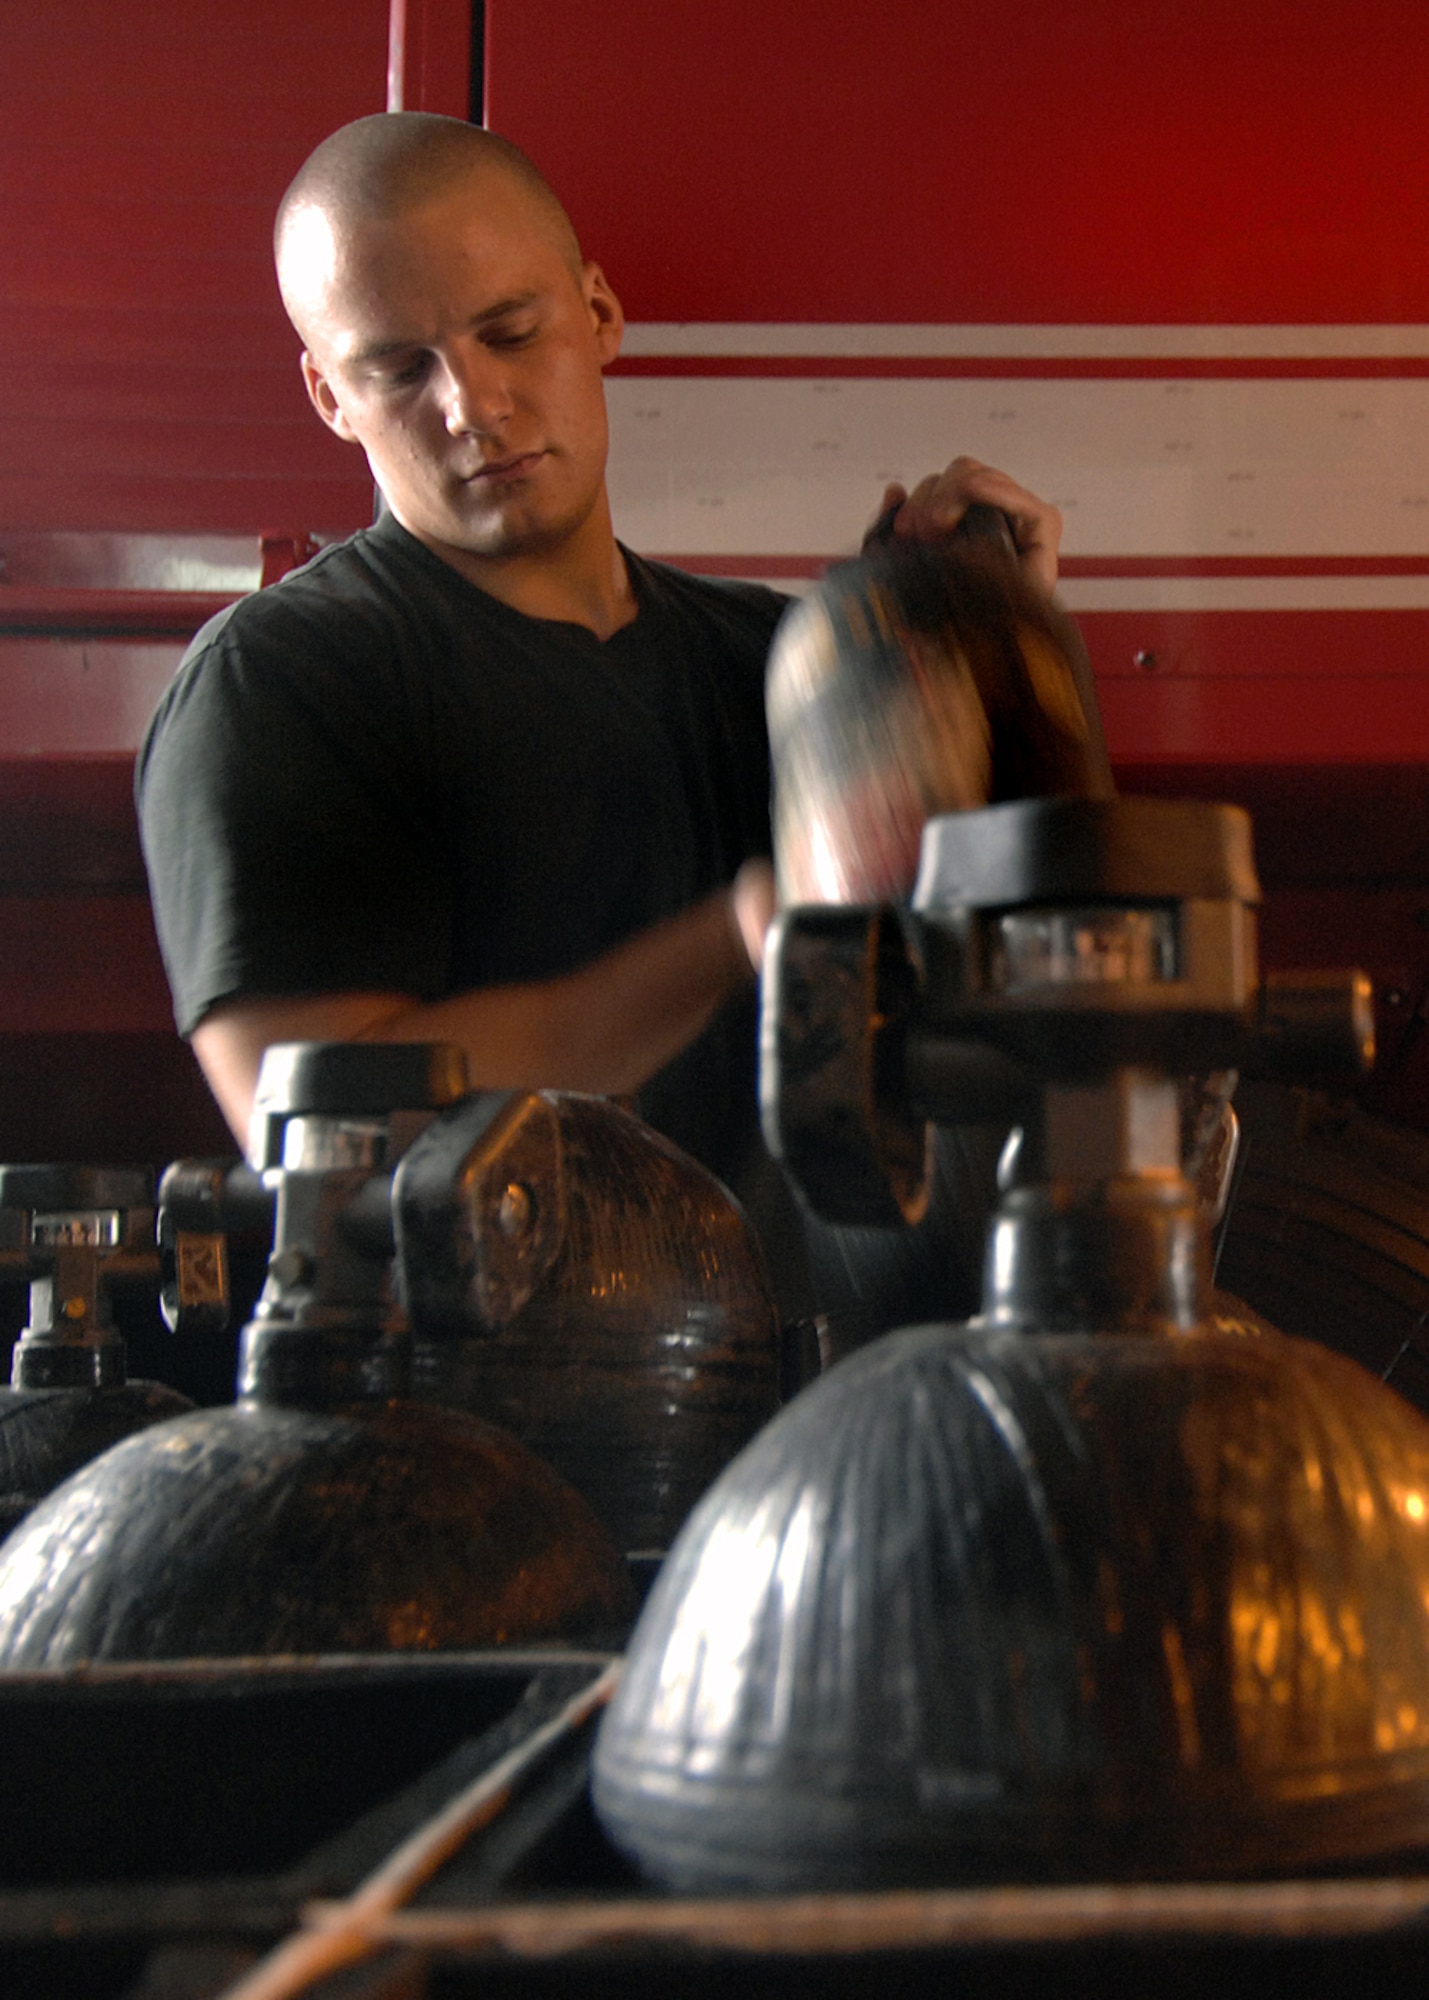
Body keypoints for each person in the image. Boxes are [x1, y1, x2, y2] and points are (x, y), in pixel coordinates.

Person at [136, 112, 1068, 1313]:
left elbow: (986, 991)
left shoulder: (766, 659)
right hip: (490, 1454)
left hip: (807, 1421)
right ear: (327, 394)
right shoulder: (283, 683)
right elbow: (325, 1120)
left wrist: (959, 638)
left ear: (599, 313)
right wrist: (737, 935)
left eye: (510, 333)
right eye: (398, 369)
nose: (472, 405)